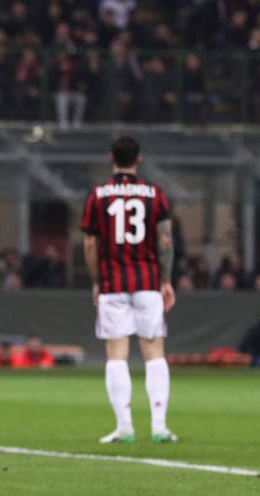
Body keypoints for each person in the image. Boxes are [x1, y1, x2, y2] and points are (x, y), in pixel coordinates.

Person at [81, 135, 177, 444]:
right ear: (138, 159)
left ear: (112, 158)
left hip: (113, 283)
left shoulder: (98, 195)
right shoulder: (154, 193)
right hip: (148, 282)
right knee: (154, 353)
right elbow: (165, 241)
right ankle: (159, 426)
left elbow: (90, 242)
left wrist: (96, 280)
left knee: (117, 356)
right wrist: (165, 280)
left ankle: (125, 427)